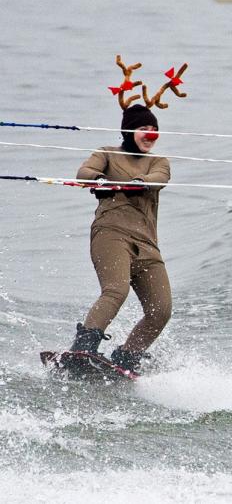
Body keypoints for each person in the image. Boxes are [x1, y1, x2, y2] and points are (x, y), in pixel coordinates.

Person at [65, 58, 186, 374]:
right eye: (144, 129)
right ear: (129, 131)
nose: (150, 135)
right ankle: (83, 347)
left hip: (147, 244)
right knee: (115, 290)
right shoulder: (106, 153)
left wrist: (137, 184)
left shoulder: (159, 162)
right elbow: (84, 172)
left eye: (154, 130)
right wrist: (101, 181)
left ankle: (127, 356)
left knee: (161, 309)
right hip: (110, 235)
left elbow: (160, 179)